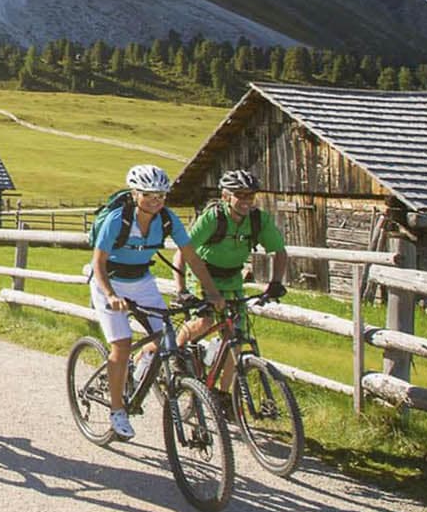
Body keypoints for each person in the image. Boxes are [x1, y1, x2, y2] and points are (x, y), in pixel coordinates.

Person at [88, 164, 224, 440]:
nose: (157, 201)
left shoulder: (168, 219)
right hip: (109, 281)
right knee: (122, 344)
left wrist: (212, 292)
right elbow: (98, 262)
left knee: (166, 335)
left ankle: (141, 365)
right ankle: (117, 412)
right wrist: (112, 296)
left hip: (142, 280)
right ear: (135, 194)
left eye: (161, 195)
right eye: (150, 195)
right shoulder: (118, 219)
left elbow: (192, 257)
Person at [175, 169, 289, 389]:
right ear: (226, 196)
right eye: (240, 195)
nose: (246, 200)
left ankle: (223, 394)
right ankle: (177, 352)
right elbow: (184, 251)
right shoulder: (213, 217)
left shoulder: (258, 220)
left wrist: (276, 283)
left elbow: (280, 252)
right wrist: (181, 290)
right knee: (205, 321)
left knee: (236, 338)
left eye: (250, 195)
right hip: (202, 275)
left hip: (233, 279)